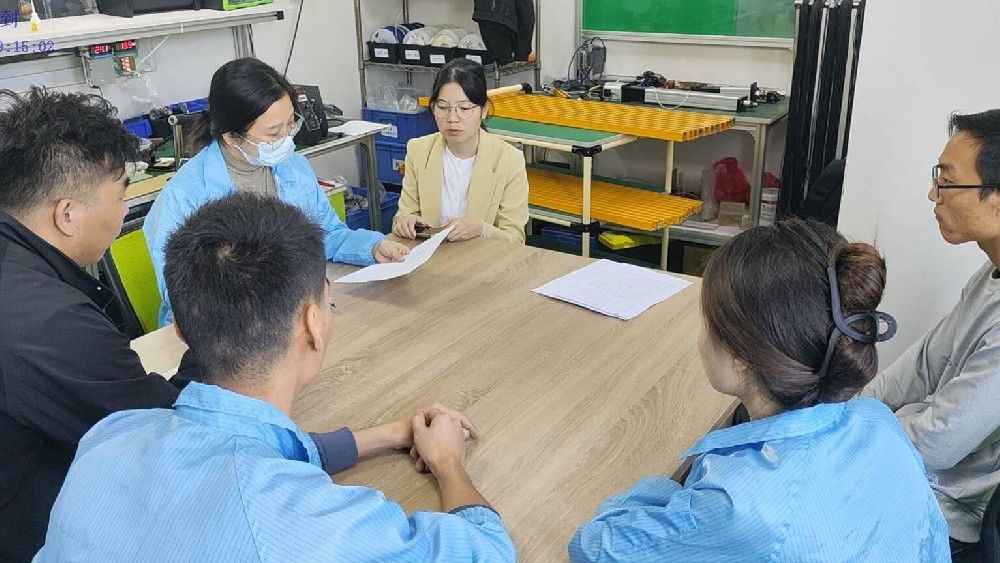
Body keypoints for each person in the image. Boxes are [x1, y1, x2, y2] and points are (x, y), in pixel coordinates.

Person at [36, 193, 516, 562]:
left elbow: (249, 446)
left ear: (180, 327)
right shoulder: (301, 523)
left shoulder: (110, 436)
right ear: (312, 325)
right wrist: (448, 463)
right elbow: (486, 552)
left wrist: (389, 434)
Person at [569, 219, 950, 562]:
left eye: (706, 321)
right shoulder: (878, 422)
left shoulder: (740, 504)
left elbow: (595, 547)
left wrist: (663, 489)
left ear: (739, 354)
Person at [0, 88, 198, 561]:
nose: (125, 210)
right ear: (67, 214)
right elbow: (168, 434)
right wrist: (212, 338)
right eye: (121, 195)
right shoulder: (48, 319)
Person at [144, 57, 409, 328]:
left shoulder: (292, 167)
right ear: (231, 136)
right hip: (225, 329)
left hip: (291, 313)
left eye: (290, 124)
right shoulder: (184, 196)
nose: (285, 139)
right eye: (273, 133)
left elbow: (325, 234)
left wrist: (372, 247)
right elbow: (183, 295)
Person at [861, 109, 1000, 552]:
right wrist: (847, 413)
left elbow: (939, 444)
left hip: (943, 511)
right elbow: (922, 366)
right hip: (914, 473)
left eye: (948, 182)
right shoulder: (990, 275)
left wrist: (851, 441)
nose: (933, 194)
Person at [392, 59, 528, 244]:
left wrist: (480, 229)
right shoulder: (418, 151)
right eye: (443, 108)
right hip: (433, 256)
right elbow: (403, 215)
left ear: (484, 110)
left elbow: (515, 240)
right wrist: (404, 222)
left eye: (464, 108)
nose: (452, 118)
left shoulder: (509, 160)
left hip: (484, 258)